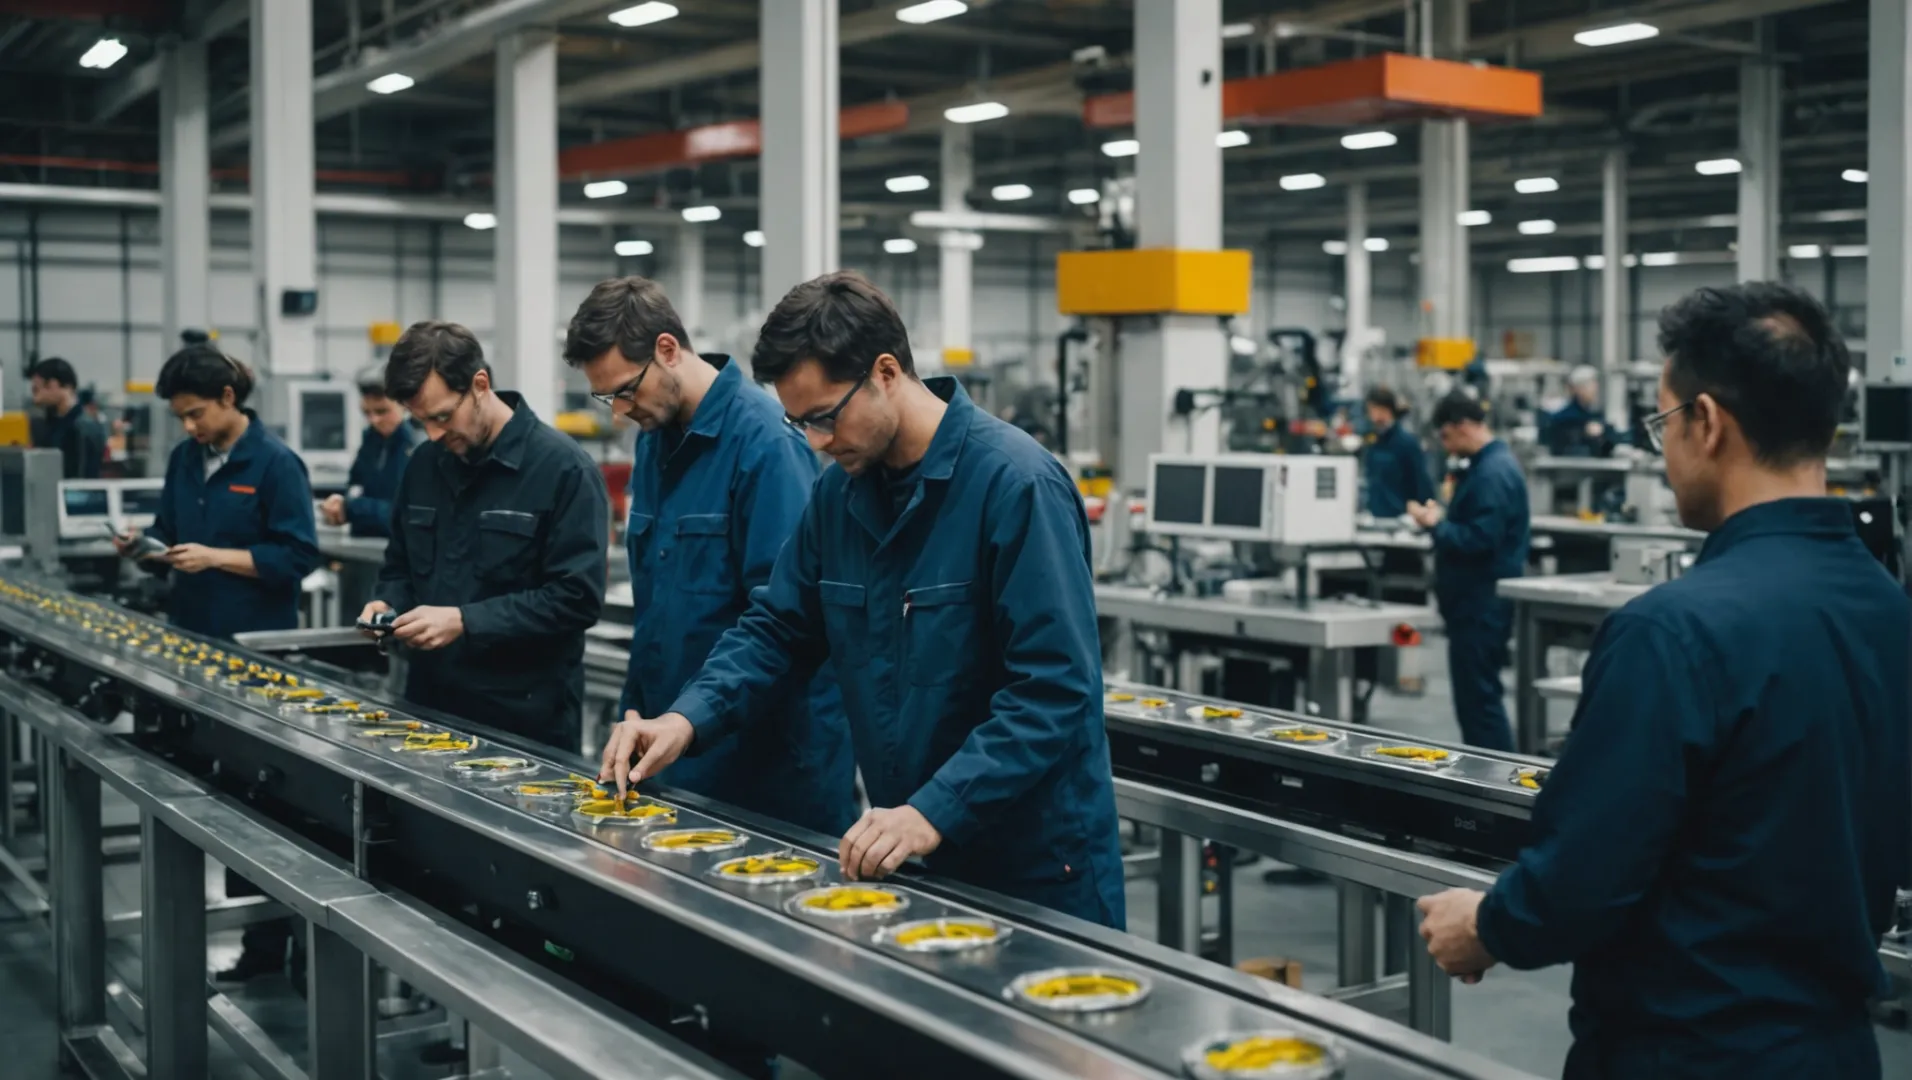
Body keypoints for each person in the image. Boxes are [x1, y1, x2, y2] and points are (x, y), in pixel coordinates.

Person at [1418, 283, 1910, 1080]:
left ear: (1707, 423)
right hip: (1835, 1052)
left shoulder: (1672, 631)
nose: (1663, 449)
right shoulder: (1890, 609)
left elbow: (1585, 873)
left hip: (1684, 1052)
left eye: (1662, 423)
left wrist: (1487, 924)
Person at [598, 270, 1125, 928]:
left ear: (884, 372)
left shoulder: (1015, 487)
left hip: (1035, 866)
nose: (816, 442)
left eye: (824, 417)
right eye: (800, 422)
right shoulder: (840, 497)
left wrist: (935, 808)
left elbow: (1055, 690)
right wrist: (685, 719)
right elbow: (778, 629)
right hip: (910, 849)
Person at [564, 277, 856, 837]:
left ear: (668, 350)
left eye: (625, 390)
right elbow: (655, 615)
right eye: (607, 399)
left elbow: (785, 624)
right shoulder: (654, 441)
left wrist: (690, 720)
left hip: (761, 769)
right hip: (673, 748)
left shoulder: (767, 445)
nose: (621, 411)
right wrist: (634, 719)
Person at [112, 342, 320, 985]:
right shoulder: (184, 458)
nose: (190, 427)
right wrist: (144, 549)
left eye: (197, 413)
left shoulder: (277, 464)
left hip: (256, 657)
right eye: (181, 417)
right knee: (221, 797)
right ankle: (257, 947)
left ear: (230, 398)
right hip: (193, 650)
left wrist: (219, 558)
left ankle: (295, 949)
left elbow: (297, 555)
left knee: (269, 800)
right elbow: (171, 534)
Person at [360, 321, 608, 753]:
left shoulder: (563, 470)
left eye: (442, 417)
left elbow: (576, 598)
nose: (435, 435)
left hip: (523, 726)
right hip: (429, 713)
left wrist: (464, 621)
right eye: (422, 423)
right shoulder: (423, 465)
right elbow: (399, 564)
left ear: (480, 384)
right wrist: (387, 602)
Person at [1406, 392, 1527, 750]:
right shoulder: (1486, 466)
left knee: (1480, 704)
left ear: (1462, 426)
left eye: (1445, 436)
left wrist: (1435, 524)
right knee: (1476, 701)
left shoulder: (1492, 472)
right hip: (1474, 603)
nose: (1446, 447)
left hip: (1480, 603)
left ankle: (1495, 787)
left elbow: (1478, 539)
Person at [321, 374, 420, 538]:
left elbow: (405, 516)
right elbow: (355, 485)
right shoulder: (371, 441)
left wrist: (351, 508)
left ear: (404, 406)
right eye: (367, 413)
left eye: (382, 411)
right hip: (367, 542)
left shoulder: (418, 448)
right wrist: (340, 504)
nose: (374, 420)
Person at [1361, 385, 1433, 519]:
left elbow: (1421, 482)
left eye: (1381, 410)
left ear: (1390, 411)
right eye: (1372, 410)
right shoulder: (1372, 442)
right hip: (1374, 516)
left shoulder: (1407, 443)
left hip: (1401, 519)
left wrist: (1423, 511)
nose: (1376, 416)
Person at [28, 357, 106, 479]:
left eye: (36, 390)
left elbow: (82, 480)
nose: (35, 399)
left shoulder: (83, 428)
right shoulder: (54, 423)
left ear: (53, 384)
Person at [1543, 365, 1613, 457]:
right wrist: (1584, 432)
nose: (1594, 390)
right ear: (1577, 388)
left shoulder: (1596, 416)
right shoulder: (1562, 418)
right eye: (1589, 385)